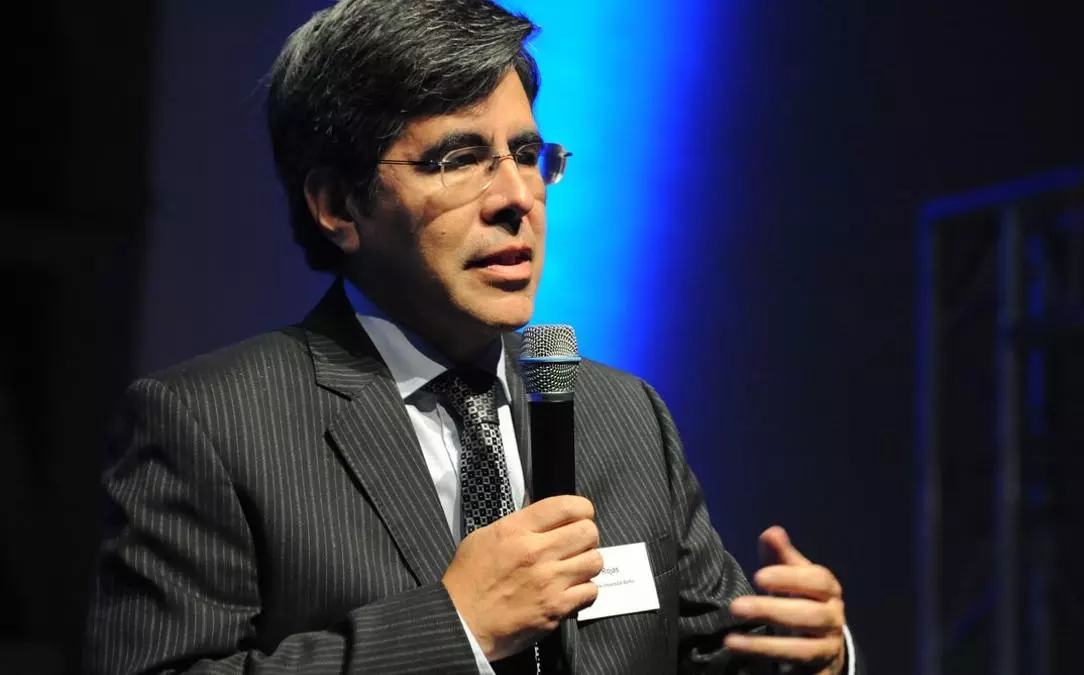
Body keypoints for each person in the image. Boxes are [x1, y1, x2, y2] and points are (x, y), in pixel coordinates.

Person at [83, 1, 859, 673]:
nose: (517, 196)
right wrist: (455, 626)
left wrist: (810, 655)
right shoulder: (210, 425)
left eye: (526, 155)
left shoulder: (624, 416)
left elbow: (710, 652)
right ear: (338, 206)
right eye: (459, 159)